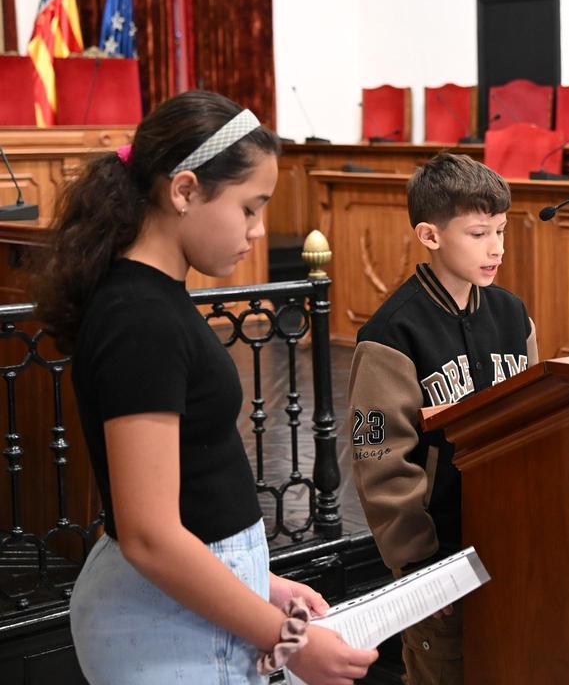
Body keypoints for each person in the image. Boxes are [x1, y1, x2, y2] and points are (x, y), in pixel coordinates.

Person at [36, 91, 377, 684]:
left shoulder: (154, 298)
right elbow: (150, 536)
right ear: (185, 191)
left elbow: (193, 491)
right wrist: (289, 643)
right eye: (250, 208)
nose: (259, 230)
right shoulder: (139, 316)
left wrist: (260, 583)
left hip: (191, 605)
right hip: (164, 626)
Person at [349, 153, 538, 685]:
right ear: (430, 235)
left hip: (514, 540)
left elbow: (536, 421)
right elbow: (381, 467)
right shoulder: (391, 335)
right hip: (440, 558)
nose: (496, 247)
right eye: (479, 233)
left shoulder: (512, 314)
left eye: (501, 230)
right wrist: (418, 571)